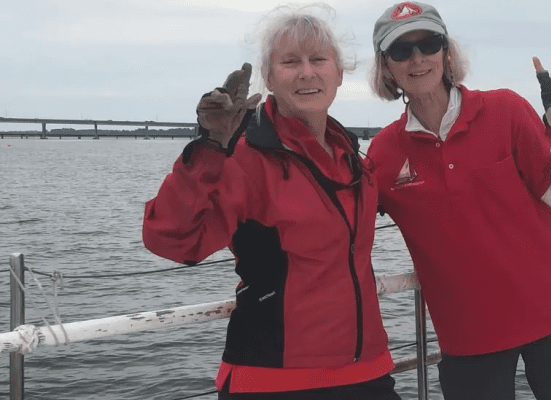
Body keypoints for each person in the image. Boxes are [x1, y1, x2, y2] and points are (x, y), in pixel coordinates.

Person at [142, 5, 401, 400]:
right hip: (274, 379)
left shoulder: (350, 156)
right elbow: (174, 241)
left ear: (339, 72)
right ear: (269, 76)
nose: (307, 72)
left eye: (318, 59)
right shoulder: (244, 156)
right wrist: (210, 147)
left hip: (367, 371)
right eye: (290, 62)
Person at [366, 2, 551, 399]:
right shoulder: (383, 152)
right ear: (385, 66)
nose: (417, 58)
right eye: (401, 50)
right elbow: (342, 224)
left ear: (447, 52)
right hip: (467, 338)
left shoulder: (505, 109)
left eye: (429, 44)